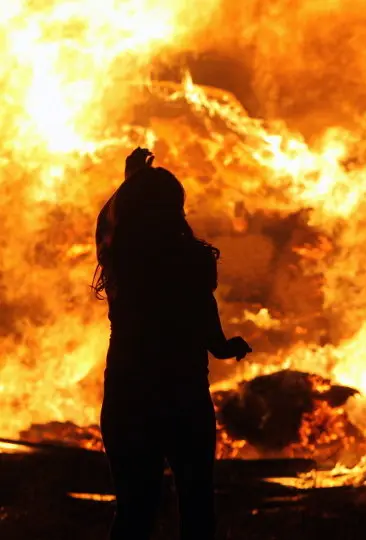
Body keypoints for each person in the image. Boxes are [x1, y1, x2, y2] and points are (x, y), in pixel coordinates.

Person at [93, 148, 252, 540]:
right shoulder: (192, 259)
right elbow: (204, 312)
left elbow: (105, 223)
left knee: (134, 511)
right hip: (183, 396)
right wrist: (223, 346)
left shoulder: (120, 259)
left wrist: (130, 182)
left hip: (129, 395)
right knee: (197, 507)